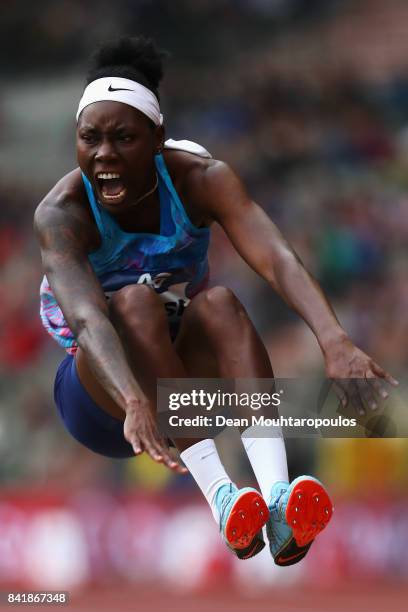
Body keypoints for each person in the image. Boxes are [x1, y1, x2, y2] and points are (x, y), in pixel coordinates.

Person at [34, 36, 398, 566]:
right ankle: (223, 500)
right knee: (133, 303)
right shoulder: (62, 214)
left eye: (123, 138)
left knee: (222, 303)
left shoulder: (201, 180)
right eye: (90, 138)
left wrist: (335, 340)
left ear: (158, 139)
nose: (104, 155)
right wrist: (136, 401)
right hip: (100, 398)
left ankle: (277, 504)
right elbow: (89, 320)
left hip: (177, 383)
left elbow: (276, 257)